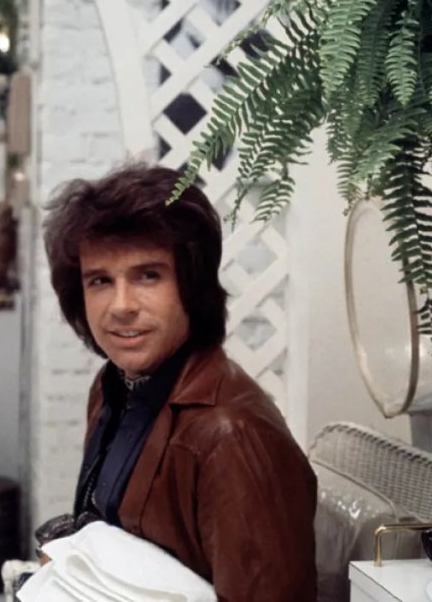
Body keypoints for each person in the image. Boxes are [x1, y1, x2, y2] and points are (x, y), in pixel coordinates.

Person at [39, 164, 317, 601]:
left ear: (192, 286)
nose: (121, 306)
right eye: (101, 281)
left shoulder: (232, 436)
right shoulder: (113, 386)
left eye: (148, 275)